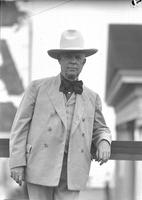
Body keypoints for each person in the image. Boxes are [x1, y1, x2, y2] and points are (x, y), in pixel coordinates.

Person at [9, 29, 111, 200]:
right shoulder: (38, 88)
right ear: (59, 59)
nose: (73, 62)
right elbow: (20, 127)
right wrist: (17, 162)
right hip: (40, 165)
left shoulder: (92, 97)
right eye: (68, 57)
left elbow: (100, 128)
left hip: (73, 170)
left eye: (77, 58)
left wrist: (104, 142)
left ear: (84, 62)